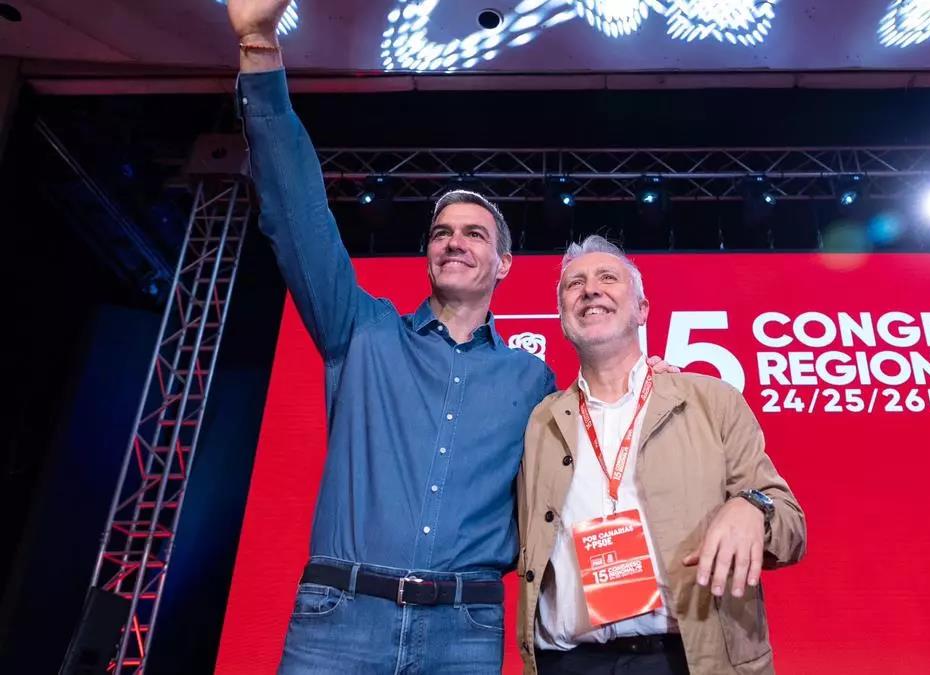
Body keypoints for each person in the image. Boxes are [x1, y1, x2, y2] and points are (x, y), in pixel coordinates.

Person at [227, 2, 673, 672]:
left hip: (462, 628)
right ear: (427, 254)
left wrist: (645, 381)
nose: (454, 241)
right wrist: (260, 50)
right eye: (441, 232)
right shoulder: (361, 332)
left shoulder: (532, 383)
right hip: (340, 618)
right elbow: (299, 215)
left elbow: (593, 477)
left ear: (503, 264)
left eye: (473, 233)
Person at [517, 236, 806, 674]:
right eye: (574, 284)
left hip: (684, 659)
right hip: (568, 663)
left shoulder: (712, 400)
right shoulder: (539, 421)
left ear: (642, 310)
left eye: (607, 278)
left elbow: (791, 526)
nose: (590, 290)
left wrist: (753, 507)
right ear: (562, 318)